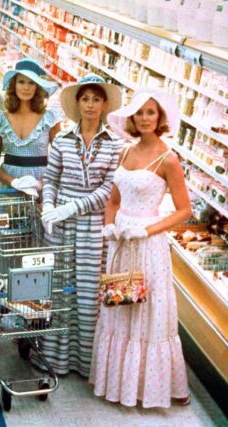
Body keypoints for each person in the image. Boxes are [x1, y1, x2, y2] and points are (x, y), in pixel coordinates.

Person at [89, 89, 191, 408]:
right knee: (122, 307)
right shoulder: (125, 152)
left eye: (151, 112)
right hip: (121, 242)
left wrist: (146, 229)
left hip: (148, 246)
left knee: (148, 314)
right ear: (131, 118)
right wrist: (110, 225)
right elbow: (114, 199)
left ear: (160, 118)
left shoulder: (168, 159)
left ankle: (150, 388)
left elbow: (183, 210)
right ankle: (121, 384)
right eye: (140, 113)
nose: (145, 118)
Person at [39, 74, 123, 377]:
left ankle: (87, 363)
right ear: (77, 103)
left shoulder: (116, 145)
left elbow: (109, 190)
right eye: (85, 98)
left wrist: (74, 206)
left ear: (104, 105)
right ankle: (55, 358)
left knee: (88, 292)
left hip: (92, 227)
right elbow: (50, 178)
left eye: (95, 99)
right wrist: (49, 206)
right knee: (60, 289)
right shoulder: (62, 140)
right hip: (60, 225)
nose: (90, 104)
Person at [0, 59, 63, 197]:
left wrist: (41, 183)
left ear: (38, 87)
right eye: (21, 82)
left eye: (31, 83)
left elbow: (60, 161)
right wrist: (14, 182)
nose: (26, 87)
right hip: (8, 189)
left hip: (41, 190)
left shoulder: (50, 119)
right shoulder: (0, 119)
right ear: (14, 85)